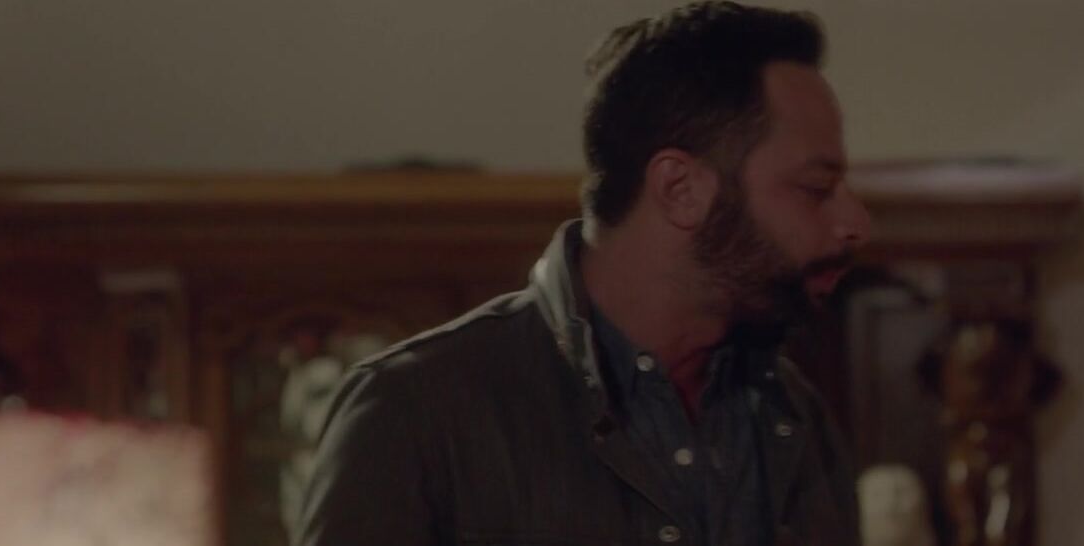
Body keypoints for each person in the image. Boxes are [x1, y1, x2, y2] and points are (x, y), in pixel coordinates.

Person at [296, 2, 872, 545]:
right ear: (681, 190)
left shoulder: (794, 414)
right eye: (816, 188)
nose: (855, 223)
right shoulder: (413, 411)